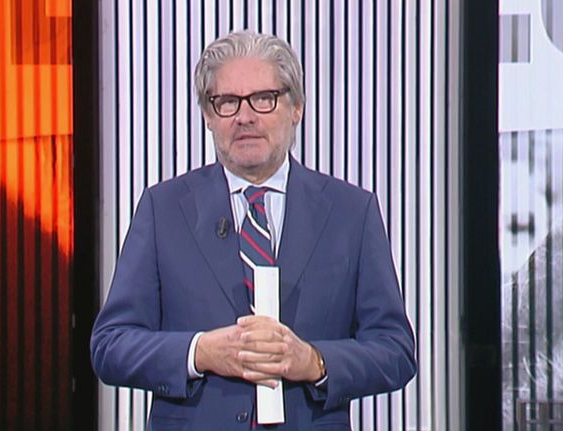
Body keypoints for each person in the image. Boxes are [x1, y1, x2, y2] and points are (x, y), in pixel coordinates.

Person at [90, 30, 416, 430]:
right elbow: (111, 346)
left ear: (296, 107)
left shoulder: (352, 212)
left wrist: (314, 361)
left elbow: (395, 351)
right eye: (227, 101)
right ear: (208, 116)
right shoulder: (164, 209)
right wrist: (200, 352)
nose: (244, 117)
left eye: (263, 98)